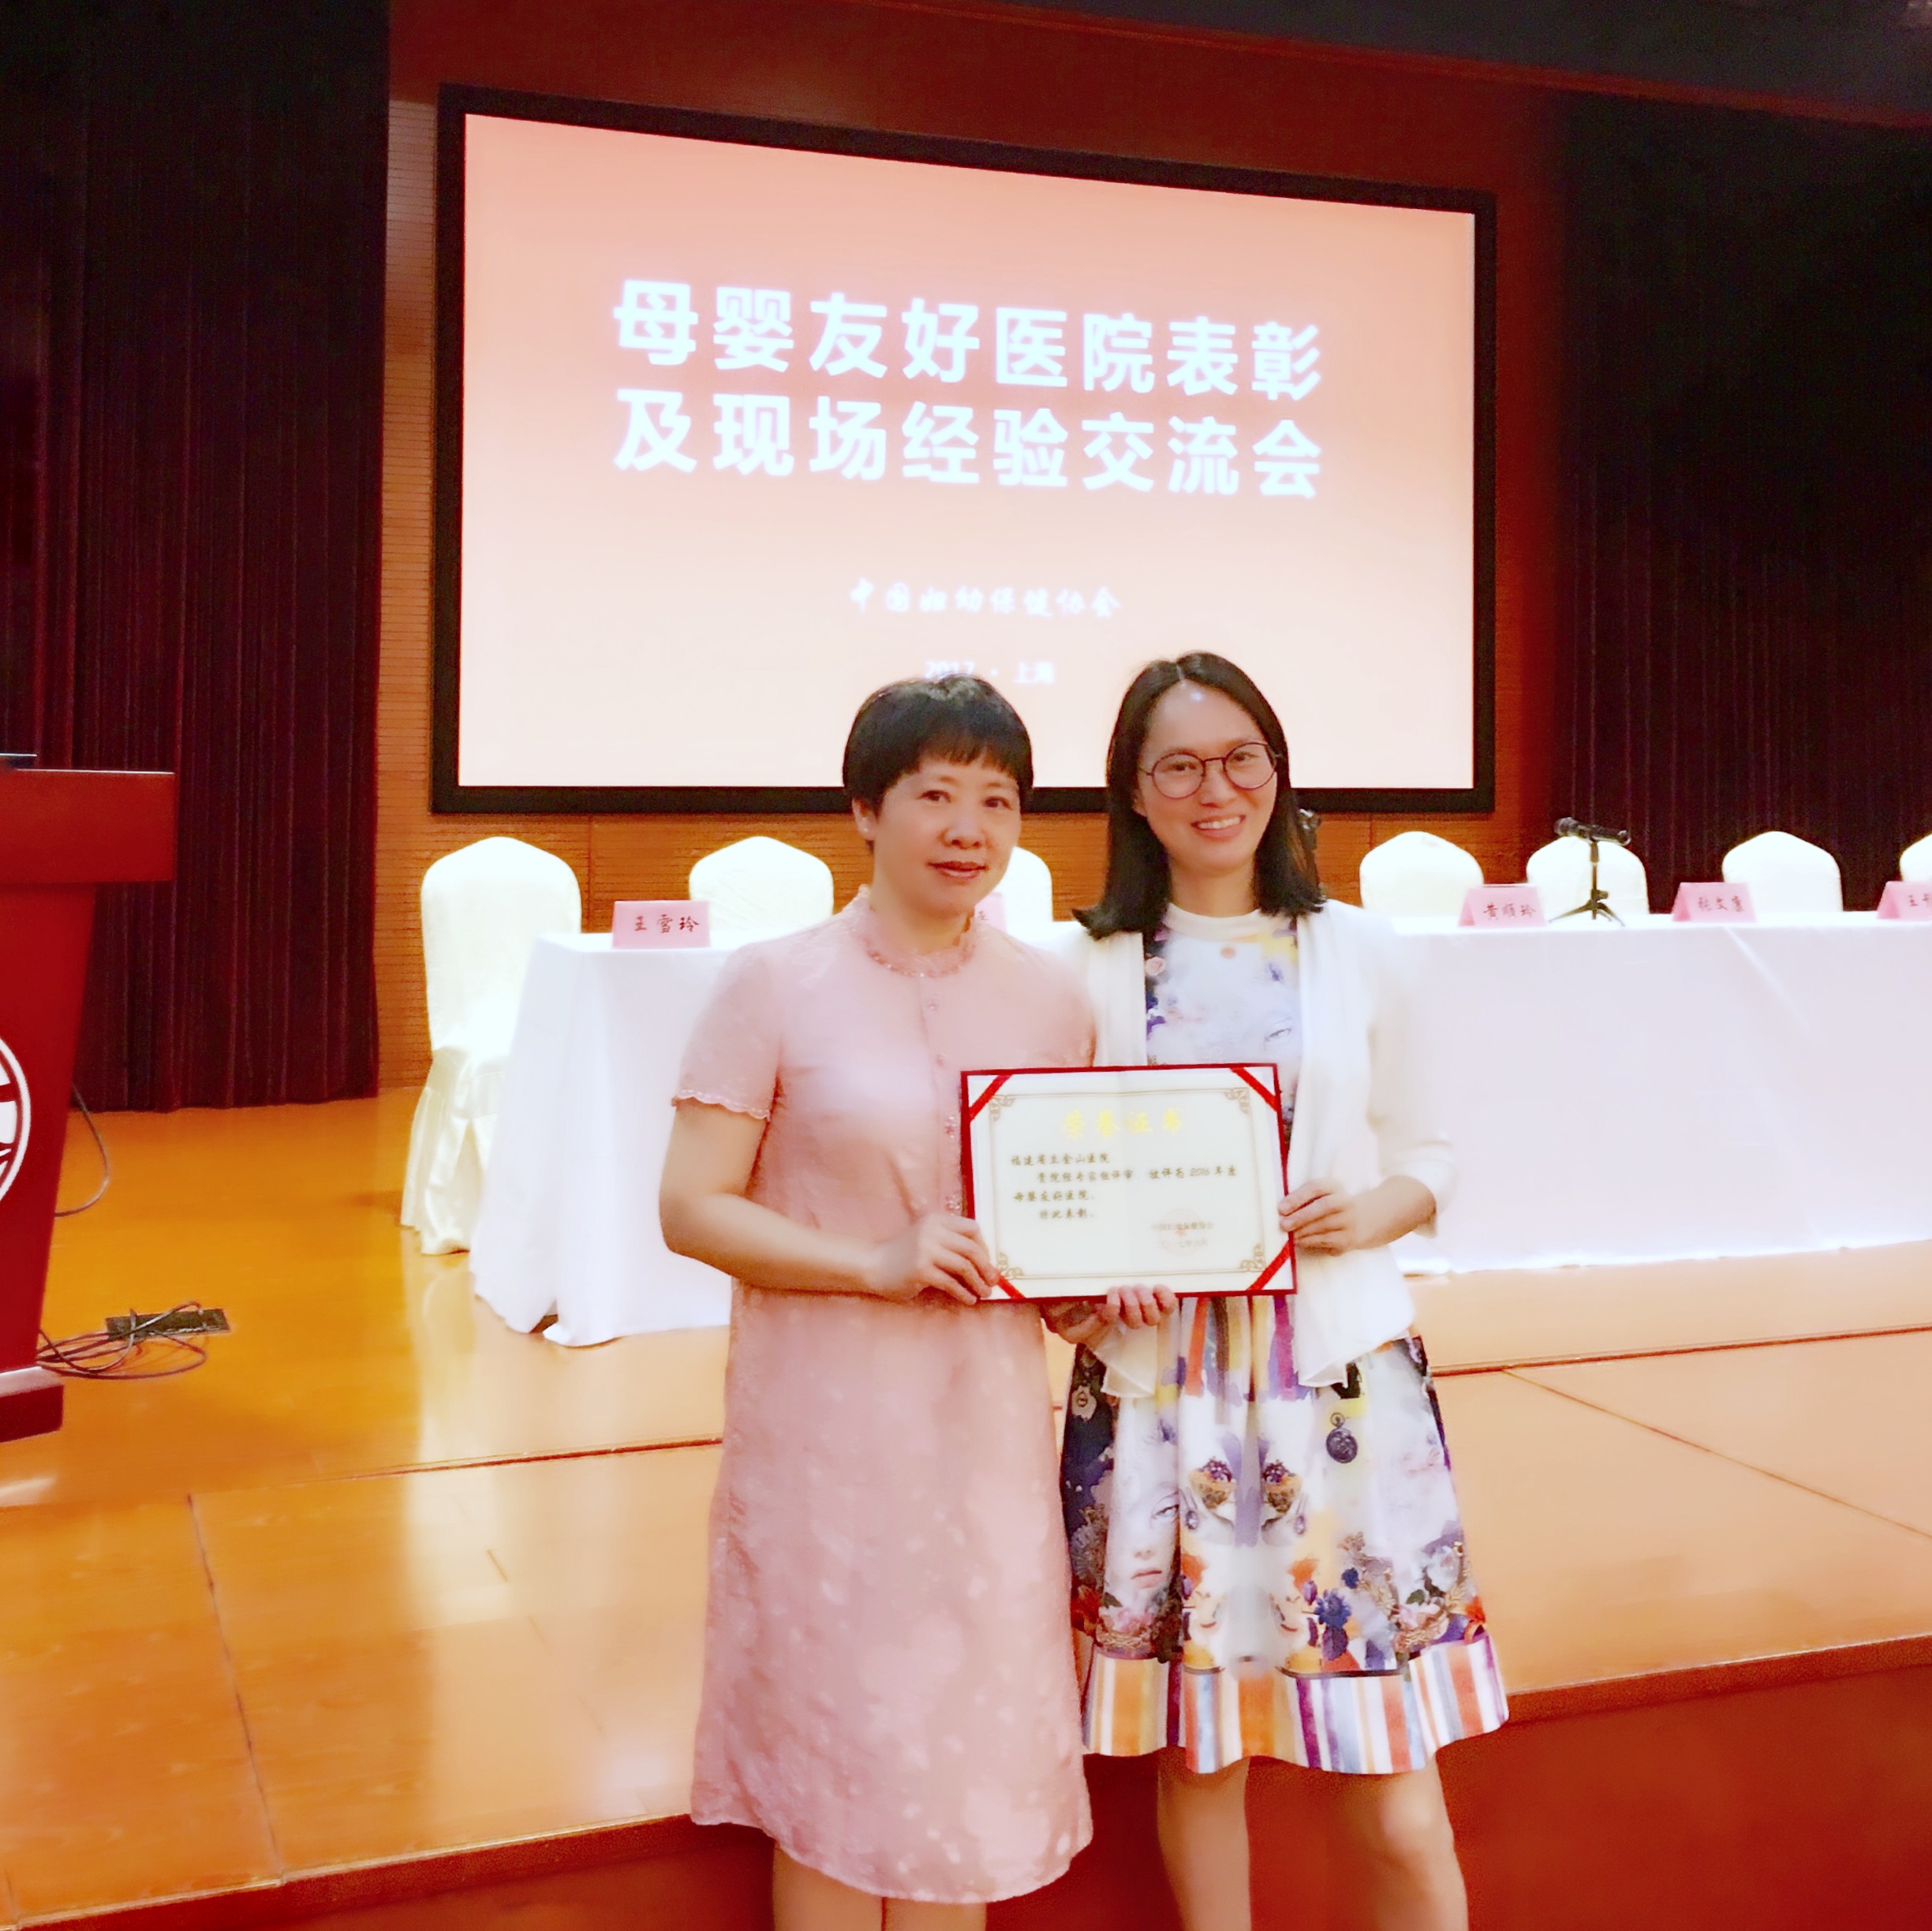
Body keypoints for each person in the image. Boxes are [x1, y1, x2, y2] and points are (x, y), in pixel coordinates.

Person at [1050, 654, 1504, 1931]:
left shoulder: (1360, 949)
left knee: (1394, 1775)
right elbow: (1048, 1191)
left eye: (1239, 759)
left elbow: (1434, 1153)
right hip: (1162, 1391)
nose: (1216, 790)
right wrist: (1083, 1286)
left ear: (1277, 773)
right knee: (1201, 1754)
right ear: (1133, 794)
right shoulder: (1081, 966)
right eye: (1179, 767)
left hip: (1337, 1383)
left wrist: (1375, 1210)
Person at [659, 676, 1093, 1931]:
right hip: (828, 1437)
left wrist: (1091, 1287)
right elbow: (690, 1208)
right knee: (840, 1770)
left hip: (983, 1441)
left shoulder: (1051, 997)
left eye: (997, 801)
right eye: (935, 795)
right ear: (864, 808)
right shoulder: (772, 983)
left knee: (954, 1780)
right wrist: (873, 1263)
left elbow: (1051, 1223)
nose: (968, 829)